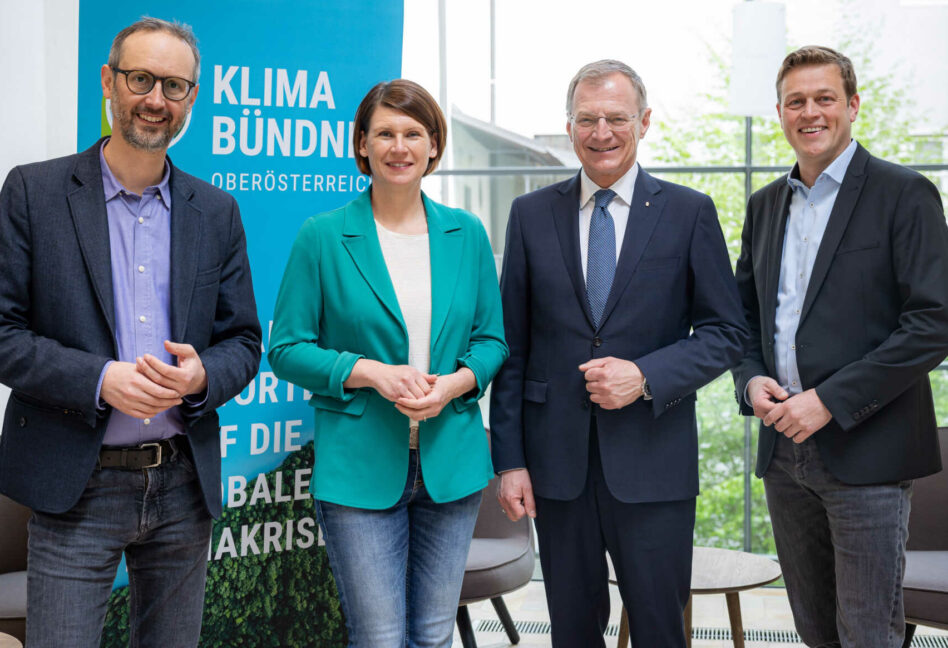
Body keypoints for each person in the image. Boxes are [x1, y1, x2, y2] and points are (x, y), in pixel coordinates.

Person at [0, 17, 261, 647]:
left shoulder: (216, 211)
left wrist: (201, 378)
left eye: (174, 86)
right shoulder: (35, 192)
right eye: (141, 78)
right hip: (77, 484)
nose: (155, 100)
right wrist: (100, 380)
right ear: (109, 81)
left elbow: (244, 342)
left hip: (182, 484)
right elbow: (4, 333)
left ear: (191, 99)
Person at [489, 59, 747, 647]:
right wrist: (510, 461)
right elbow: (512, 348)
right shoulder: (531, 215)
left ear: (644, 121)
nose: (600, 132)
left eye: (615, 118)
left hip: (654, 466)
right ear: (569, 125)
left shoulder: (689, 212)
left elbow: (726, 332)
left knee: (660, 629)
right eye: (587, 119)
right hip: (557, 469)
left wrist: (646, 375)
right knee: (572, 633)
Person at [268, 79, 507, 648]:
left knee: (431, 636)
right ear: (363, 145)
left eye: (413, 133)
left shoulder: (466, 233)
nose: (399, 146)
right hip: (359, 469)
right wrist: (371, 372)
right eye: (385, 133)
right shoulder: (323, 236)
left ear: (432, 146)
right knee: (377, 637)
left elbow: (492, 341)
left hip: (451, 467)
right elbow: (286, 349)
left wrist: (453, 384)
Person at [733, 45, 948, 647]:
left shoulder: (904, 194)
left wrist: (829, 399)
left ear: (852, 106)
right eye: (795, 101)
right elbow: (742, 318)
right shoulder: (765, 205)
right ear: (779, 112)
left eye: (824, 98)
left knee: (868, 634)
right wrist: (751, 382)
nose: (810, 112)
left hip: (869, 453)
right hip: (783, 452)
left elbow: (934, 321)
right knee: (815, 631)